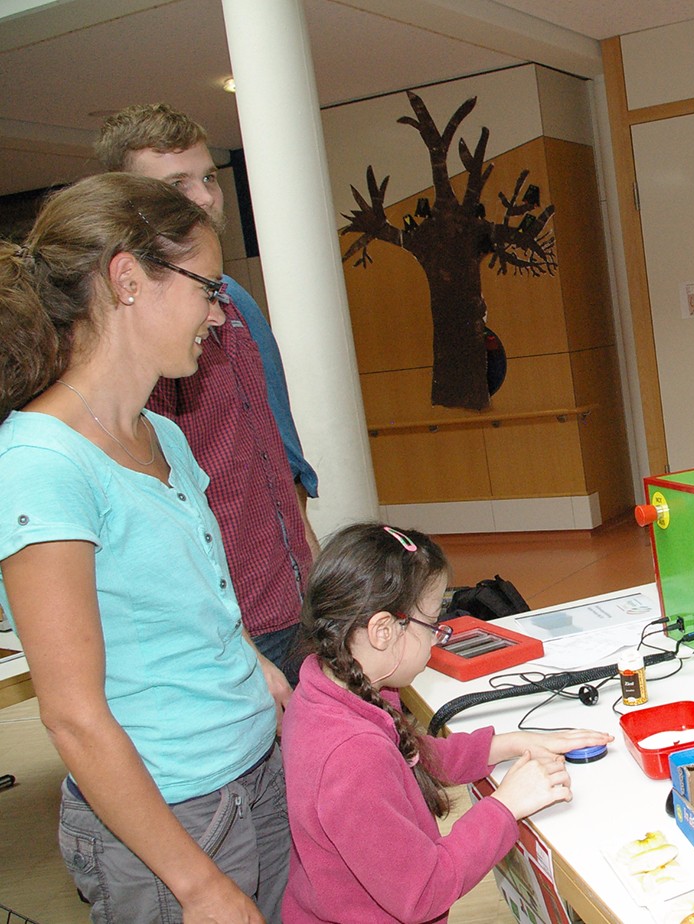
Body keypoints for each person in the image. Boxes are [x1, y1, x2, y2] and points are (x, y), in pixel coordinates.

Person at [0, 173, 288, 921]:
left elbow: (198, 594)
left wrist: (254, 666)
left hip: (253, 767)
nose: (219, 315)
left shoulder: (163, 431)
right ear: (127, 279)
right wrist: (197, 885)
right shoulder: (41, 464)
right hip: (170, 815)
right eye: (208, 289)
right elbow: (72, 716)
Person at [281, 523, 612, 923]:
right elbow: (424, 891)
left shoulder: (328, 687)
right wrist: (505, 805)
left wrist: (508, 743)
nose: (439, 638)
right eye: (433, 624)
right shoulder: (351, 756)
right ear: (383, 631)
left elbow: (409, 758)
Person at [95, 103, 319, 686]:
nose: (203, 199)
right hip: (224, 624)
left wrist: (310, 562)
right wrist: (236, 640)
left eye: (209, 178)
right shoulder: (134, 336)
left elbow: (278, 447)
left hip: (291, 594)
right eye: (176, 186)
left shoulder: (233, 301)